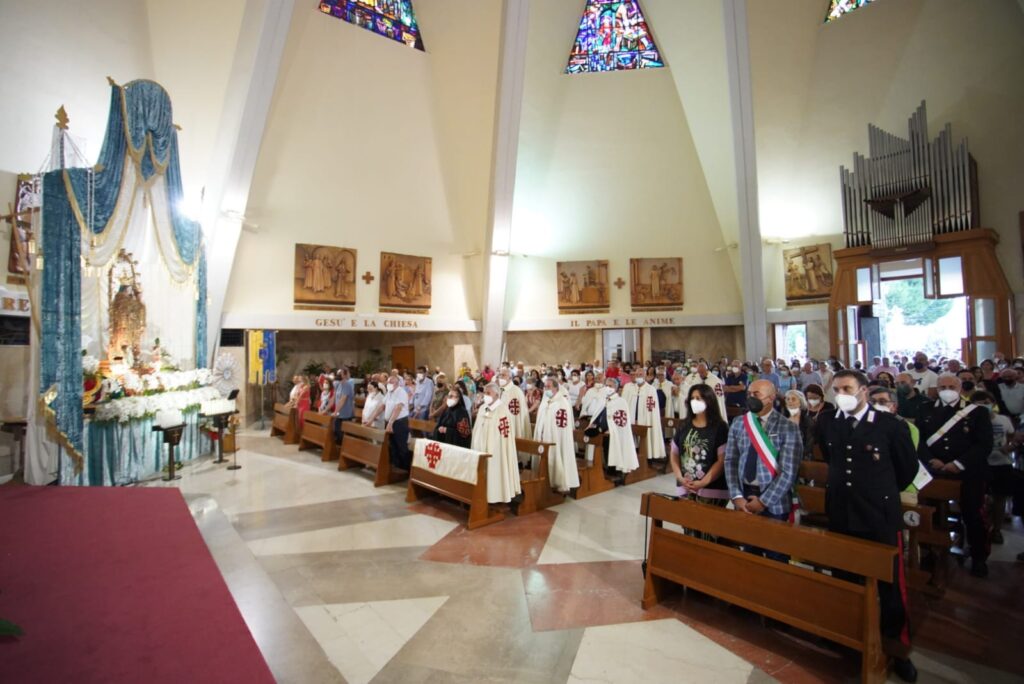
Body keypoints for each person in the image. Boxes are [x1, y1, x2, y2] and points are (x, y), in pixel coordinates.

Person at [815, 370, 920, 683]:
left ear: (863, 390)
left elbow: (906, 469)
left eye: (847, 388)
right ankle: (849, 637)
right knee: (845, 577)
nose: (841, 394)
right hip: (841, 513)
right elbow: (829, 455)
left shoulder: (889, 425)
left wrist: (878, 491)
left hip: (878, 515)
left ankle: (896, 648)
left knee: (890, 587)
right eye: (836, 389)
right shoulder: (829, 421)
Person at [916, 373, 993, 577]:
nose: (947, 390)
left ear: (960, 388)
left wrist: (958, 463)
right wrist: (932, 460)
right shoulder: (925, 409)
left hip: (967, 471)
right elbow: (918, 439)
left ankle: (979, 556)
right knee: (928, 513)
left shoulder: (977, 412)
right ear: (937, 389)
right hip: (934, 470)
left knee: (973, 515)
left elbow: (984, 444)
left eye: (952, 386)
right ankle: (929, 552)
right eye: (942, 387)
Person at [723, 379, 802, 558]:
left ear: (771, 398)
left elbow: (789, 472)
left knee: (776, 556)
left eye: (756, 394)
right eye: (749, 394)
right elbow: (730, 460)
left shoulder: (787, 427)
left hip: (774, 500)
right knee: (749, 554)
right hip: (744, 496)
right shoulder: (739, 422)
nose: (751, 398)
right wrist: (736, 495)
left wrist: (763, 501)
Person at [970, 390, 1021, 546]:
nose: (985, 406)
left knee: (1000, 499)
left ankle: (997, 529)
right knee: (980, 500)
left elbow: (1014, 438)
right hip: (980, 464)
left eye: (987, 402)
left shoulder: (1003, 420)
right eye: (979, 403)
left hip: (1001, 463)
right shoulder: (970, 420)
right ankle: (981, 529)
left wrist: (1010, 447)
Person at [670, 384, 730, 511]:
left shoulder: (720, 427)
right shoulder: (684, 424)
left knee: (708, 528)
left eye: (699, 398)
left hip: (711, 488)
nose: (694, 402)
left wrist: (703, 483)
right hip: (686, 486)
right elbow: (674, 453)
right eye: (692, 398)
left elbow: (721, 460)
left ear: (709, 400)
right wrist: (680, 477)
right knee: (688, 527)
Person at [472, 383, 520, 504]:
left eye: (488, 393)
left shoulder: (503, 411)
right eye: (484, 393)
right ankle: (480, 495)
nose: (485, 395)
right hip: (480, 449)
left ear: (497, 395)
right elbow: (477, 428)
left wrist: (493, 449)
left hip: (495, 451)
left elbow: (504, 437)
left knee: (493, 472)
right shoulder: (483, 408)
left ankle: (494, 496)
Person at [584, 377, 639, 475]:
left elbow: (622, 421)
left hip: (613, 433)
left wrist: (611, 429)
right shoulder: (604, 400)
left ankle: (614, 471)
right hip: (602, 431)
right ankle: (607, 468)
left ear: (616, 388)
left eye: (610, 386)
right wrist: (593, 423)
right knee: (605, 449)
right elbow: (599, 414)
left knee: (611, 450)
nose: (607, 388)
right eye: (606, 385)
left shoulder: (621, 401)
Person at [534, 376, 579, 493]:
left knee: (556, 457)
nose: (546, 389)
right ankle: (544, 480)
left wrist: (552, 433)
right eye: (545, 386)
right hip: (544, 436)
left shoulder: (562, 402)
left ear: (556, 388)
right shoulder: (546, 401)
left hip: (556, 438)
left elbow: (562, 426)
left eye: (548, 387)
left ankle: (556, 482)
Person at [627, 368, 666, 463]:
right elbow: (628, 404)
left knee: (645, 439)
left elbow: (651, 409)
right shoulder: (630, 388)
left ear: (645, 376)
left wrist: (642, 420)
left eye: (641, 374)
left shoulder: (651, 389)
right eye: (637, 374)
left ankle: (647, 459)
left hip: (645, 421)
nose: (639, 376)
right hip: (632, 421)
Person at [383, 375, 412, 470]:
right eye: (388, 382)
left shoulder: (401, 392)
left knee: (401, 446)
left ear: (397, 383)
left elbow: (398, 408)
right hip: (390, 422)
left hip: (399, 423)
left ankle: (406, 469)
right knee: (392, 446)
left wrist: (390, 423)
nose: (389, 384)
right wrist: (371, 419)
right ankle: (396, 467)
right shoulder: (389, 392)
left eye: (391, 382)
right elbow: (382, 406)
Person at [497, 367, 531, 442]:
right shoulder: (499, 390)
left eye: (503, 375)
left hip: (511, 426)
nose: (501, 377)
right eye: (500, 375)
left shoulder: (516, 391)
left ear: (509, 377)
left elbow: (517, 415)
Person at [783, 389, 815, 461]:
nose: (790, 401)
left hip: (802, 457)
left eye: (793, 399)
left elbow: (809, 445)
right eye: (788, 399)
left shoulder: (808, 421)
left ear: (800, 403)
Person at [332, 367, 355, 444]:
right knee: (336, 431)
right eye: (338, 373)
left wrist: (335, 411)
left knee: (341, 433)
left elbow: (343, 400)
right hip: (339, 413)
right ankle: (340, 449)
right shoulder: (339, 384)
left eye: (340, 373)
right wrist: (325, 410)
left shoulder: (347, 385)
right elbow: (334, 398)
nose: (338, 375)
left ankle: (343, 450)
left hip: (346, 414)